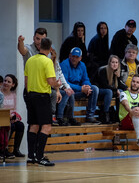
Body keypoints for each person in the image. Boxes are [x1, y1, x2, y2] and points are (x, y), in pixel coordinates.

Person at [25, 38, 61, 166]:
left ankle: (31, 156)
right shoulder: (47, 61)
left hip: (31, 95)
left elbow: (26, 80)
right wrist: (58, 84)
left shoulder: (30, 60)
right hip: (42, 96)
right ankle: (40, 157)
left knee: (33, 125)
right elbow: (51, 81)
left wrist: (29, 94)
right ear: (50, 48)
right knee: (46, 126)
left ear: (40, 46)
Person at [60, 47, 100, 124]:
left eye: (77, 57)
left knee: (94, 89)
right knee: (69, 93)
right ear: (69, 56)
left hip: (79, 91)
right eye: (73, 56)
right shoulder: (64, 64)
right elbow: (64, 83)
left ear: (80, 58)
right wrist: (81, 88)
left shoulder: (82, 65)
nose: (74, 59)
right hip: (69, 91)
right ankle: (68, 118)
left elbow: (85, 79)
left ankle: (90, 116)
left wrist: (87, 87)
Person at [50, 50, 80, 126]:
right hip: (50, 87)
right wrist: (61, 88)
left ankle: (70, 117)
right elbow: (50, 79)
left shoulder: (56, 63)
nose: (53, 55)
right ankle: (59, 117)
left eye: (53, 53)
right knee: (65, 93)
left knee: (71, 93)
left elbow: (61, 76)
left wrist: (68, 87)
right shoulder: (46, 63)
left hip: (57, 86)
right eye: (51, 54)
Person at [0, 74, 25, 158]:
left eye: (8, 82)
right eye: (5, 81)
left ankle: (16, 150)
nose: (6, 83)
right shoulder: (0, 94)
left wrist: (14, 116)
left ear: (13, 85)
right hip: (2, 117)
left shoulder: (13, 95)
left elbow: (14, 109)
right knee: (11, 126)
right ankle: (4, 149)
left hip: (10, 117)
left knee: (20, 125)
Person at [95, 55, 120, 124]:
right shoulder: (103, 70)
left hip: (109, 91)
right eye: (113, 62)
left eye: (116, 62)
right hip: (98, 91)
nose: (115, 64)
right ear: (109, 63)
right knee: (109, 92)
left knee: (121, 92)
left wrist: (118, 77)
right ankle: (105, 114)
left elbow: (119, 85)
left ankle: (118, 114)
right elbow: (104, 85)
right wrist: (115, 90)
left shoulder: (116, 72)